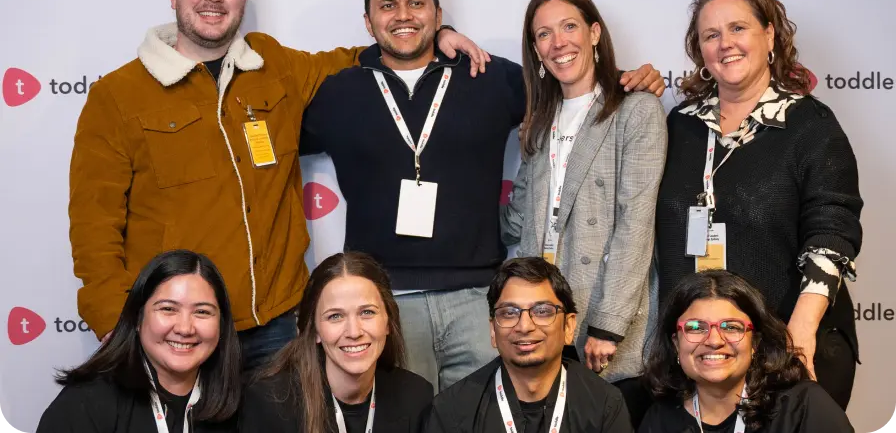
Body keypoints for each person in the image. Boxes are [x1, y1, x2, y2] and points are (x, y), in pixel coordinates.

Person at [68, 0, 487, 371]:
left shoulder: (273, 64)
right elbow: (93, 224)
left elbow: (359, 59)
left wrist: (436, 34)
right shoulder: (117, 96)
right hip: (179, 327)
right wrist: (113, 319)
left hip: (278, 324)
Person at [300, 0, 666, 392]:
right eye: (388, 5)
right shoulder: (337, 93)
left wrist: (629, 80)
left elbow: (572, 84)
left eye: (416, 3)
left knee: (485, 417)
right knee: (405, 419)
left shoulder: (488, 76)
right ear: (367, 20)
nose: (403, 16)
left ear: (438, 14)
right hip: (387, 302)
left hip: (479, 302)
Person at [654, 0, 863, 409]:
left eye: (738, 28)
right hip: (701, 355)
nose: (725, 44)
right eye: (711, 35)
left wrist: (799, 331)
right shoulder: (679, 124)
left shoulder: (810, 124)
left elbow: (833, 230)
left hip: (785, 347)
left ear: (769, 36)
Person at [501, 0, 666, 427]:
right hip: (544, 317)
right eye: (544, 34)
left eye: (569, 27)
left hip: (604, 322)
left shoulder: (636, 110)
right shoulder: (539, 123)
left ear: (594, 33)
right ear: (536, 50)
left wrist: (608, 326)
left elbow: (636, 223)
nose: (558, 42)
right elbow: (518, 222)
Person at [37, 250, 241, 433]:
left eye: (202, 312)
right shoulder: (84, 405)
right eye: (168, 309)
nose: (185, 328)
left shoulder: (244, 404)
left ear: (222, 325)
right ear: (137, 318)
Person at [426, 257, 633, 433]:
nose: (524, 326)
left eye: (542, 311)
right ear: (493, 330)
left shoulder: (604, 405)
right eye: (509, 313)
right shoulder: (452, 410)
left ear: (569, 326)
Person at [639, 269, 855, 432]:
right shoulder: (659, 420)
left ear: (755, 343)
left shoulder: (803, 407)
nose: (714, 341)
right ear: (676, 343)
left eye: (731, 327)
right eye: (696, 327)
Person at [240, 252, 432, 433]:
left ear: (388, 322)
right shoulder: (270, 405)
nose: (354, 332)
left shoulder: (416, 397)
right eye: (335, 316)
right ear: (315, 330)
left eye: (367, 312)